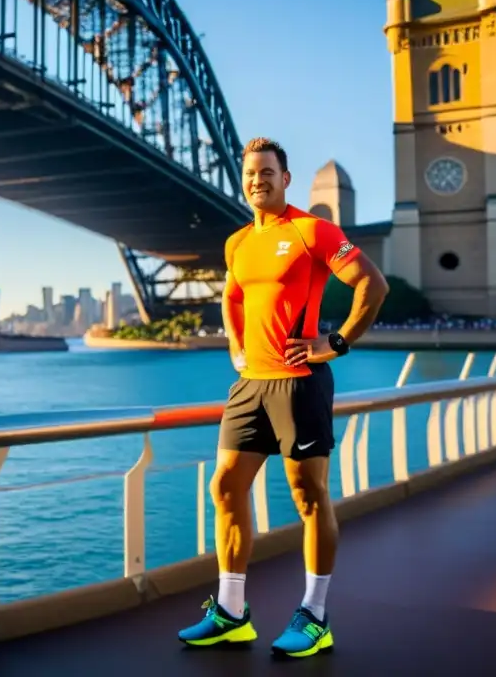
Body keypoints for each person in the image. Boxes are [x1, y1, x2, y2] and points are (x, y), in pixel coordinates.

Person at [177, 137, 389, 658]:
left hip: (300, 381)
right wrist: (234, 341)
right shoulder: (237, 242)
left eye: (267, 172)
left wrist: (335, 342)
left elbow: (373, 284)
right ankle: (231, 613)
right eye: (250, 174)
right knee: (225, 486)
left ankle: (315, 615)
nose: (257, 181)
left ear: (285, 178)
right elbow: (232, 295)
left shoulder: (312, 229)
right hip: (250, 385)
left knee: (308, 496)